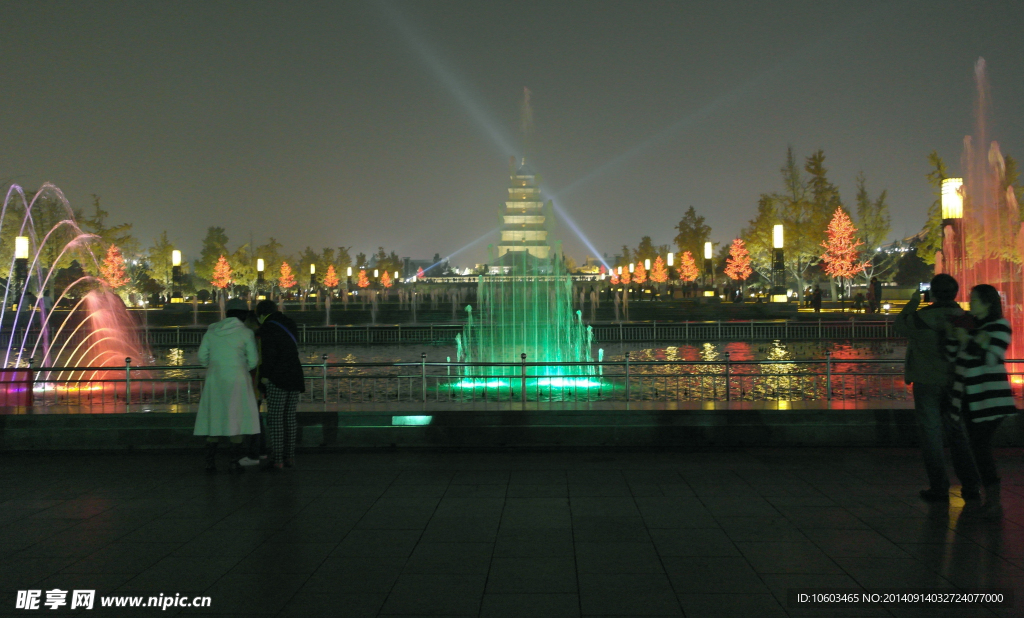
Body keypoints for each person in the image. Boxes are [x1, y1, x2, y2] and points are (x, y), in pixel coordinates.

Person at [895, 274, 980, 503]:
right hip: (956, 385)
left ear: (932, 294)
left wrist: (913, 303)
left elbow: (898, 324)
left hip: (926, 382)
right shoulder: (965, 319)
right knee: (959, 434)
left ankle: (939, 487)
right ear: (956, 293)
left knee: (931, 435)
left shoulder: (920, 318)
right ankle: (971, 485)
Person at [946, 284, 1019, 518]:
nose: (970, 303)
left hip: (990, 400)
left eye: (975, 299)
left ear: (988, 302)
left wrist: (968, 338)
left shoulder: (1000, 325)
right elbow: (953, 355)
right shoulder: (972, 326)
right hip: (967, 397)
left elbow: (990, 358)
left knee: (980, 447)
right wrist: (954, 335)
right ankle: (987, 495)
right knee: (978, 447)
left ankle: (993, 499)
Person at [194, 298, 261, 473]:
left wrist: (215, 365)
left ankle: (209, 462)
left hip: (215, 379)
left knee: (214, 417)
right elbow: (253, 360)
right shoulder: (246, 333)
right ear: (244, 315)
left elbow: (202, 357)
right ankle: (234, 461)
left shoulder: (211, 331)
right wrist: (240, 367)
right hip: (238, 379)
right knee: (236, 417)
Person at [255, 299, 306, 470]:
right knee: (289, 418)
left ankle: (277, 460)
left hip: (278, 377)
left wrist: (264, 376)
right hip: (295, 374)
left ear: (261, 314)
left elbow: (268, 355)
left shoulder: (267, 327)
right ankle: (289, 457)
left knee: (276, 418)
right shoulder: (289, 323)